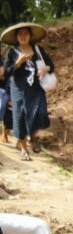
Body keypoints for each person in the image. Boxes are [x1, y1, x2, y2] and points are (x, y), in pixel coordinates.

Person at [1, 23, 54, 161]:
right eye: (20, 34)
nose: (23, 36)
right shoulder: (12, 52)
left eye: (26, 33)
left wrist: (46, 69)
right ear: (16, 37)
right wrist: (18, 63)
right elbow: (7, 73)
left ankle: (33, 137)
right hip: (18, 89)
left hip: (36, 88)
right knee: (20, 116)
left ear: (30, 36)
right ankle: (24, 149)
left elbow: (51, 64)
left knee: (39, 113)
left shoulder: (37, 49)